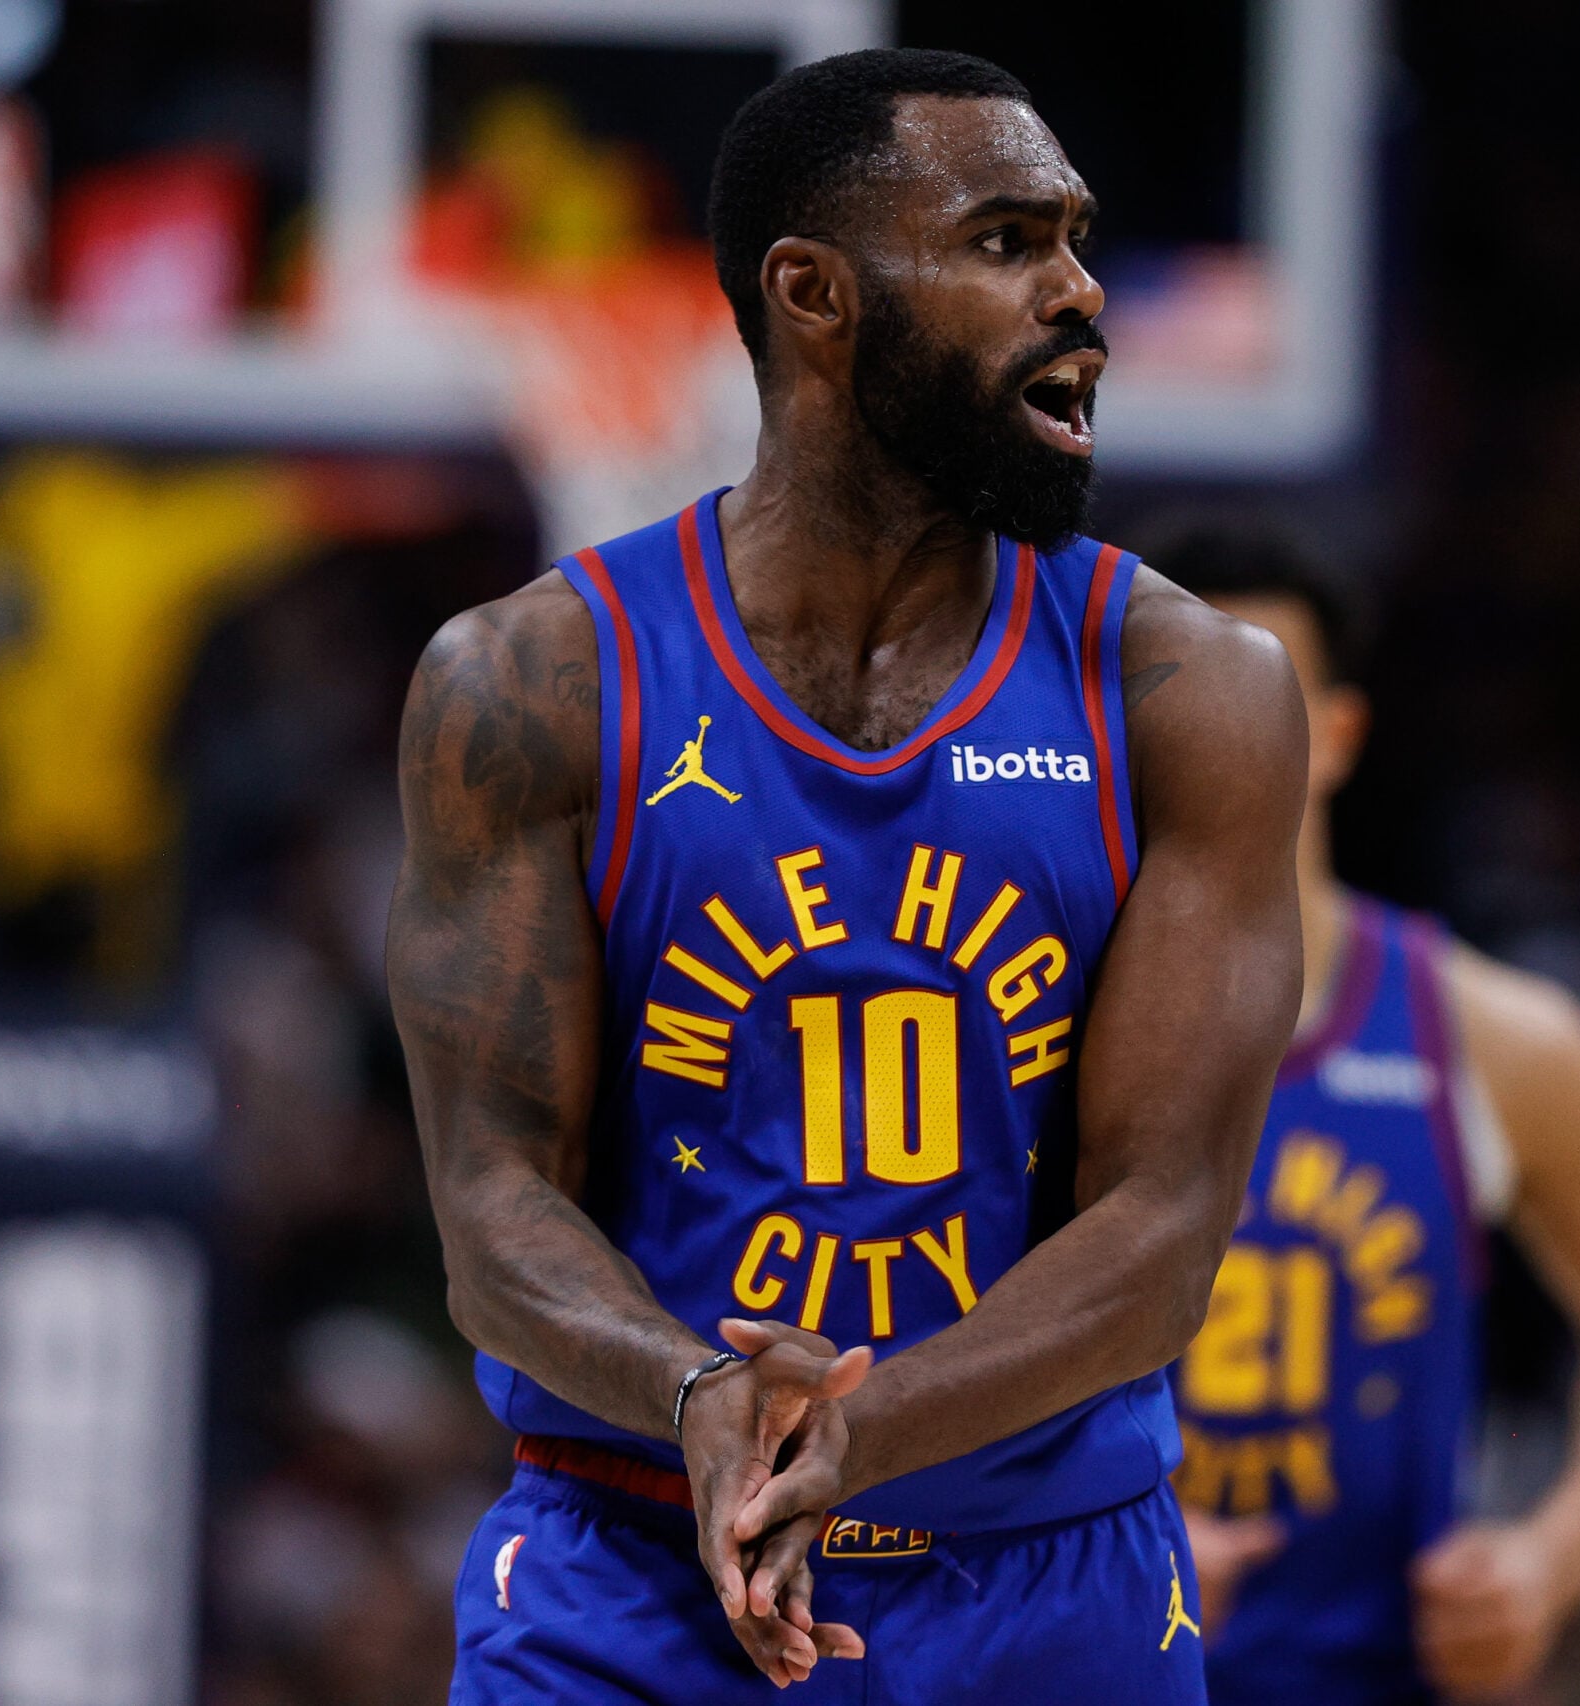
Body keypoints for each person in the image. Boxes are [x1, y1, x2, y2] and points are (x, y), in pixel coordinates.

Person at [386, 48, 1308, 1705]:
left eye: (1077, 241)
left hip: (1044, 1582)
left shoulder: (1188, 692)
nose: (1081, 293)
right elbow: (492, 1205)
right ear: (813, 295)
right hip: (637, 1562)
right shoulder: (531, 683)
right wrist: (694, 1397)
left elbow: (1164, 1226)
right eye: (1007, 242)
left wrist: (853, 1430)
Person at [1155, 521, 1580, 1703]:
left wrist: (1550, 1559)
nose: (1221, 735)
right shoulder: (1010, 1027)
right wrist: (1106, 1542)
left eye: (1260, 692)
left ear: (1339, 734)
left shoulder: (1493, 1038)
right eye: (1172, 695)